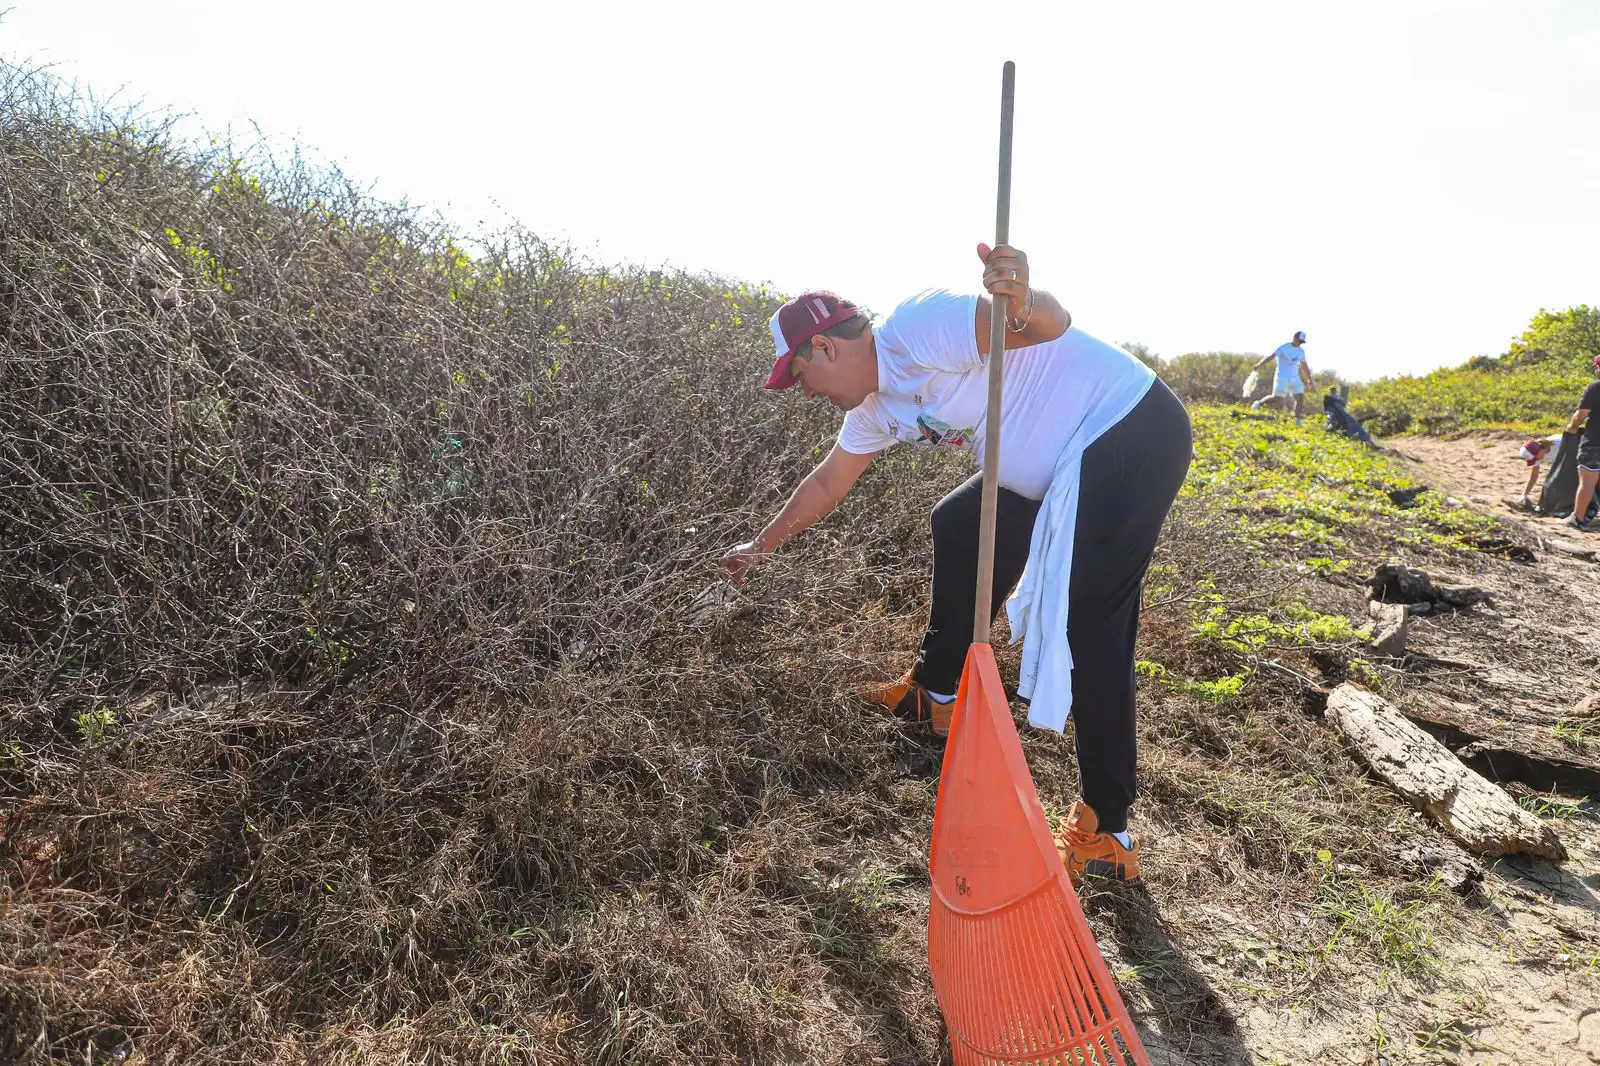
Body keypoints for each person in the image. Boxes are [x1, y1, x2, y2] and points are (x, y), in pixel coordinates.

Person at [719, 243, 1192, 884]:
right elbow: (828, 483)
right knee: (960, 521)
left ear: (825, 347)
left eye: (798, 376)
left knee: (1090, 624)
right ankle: (934, 693)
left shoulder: (920, 327)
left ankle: (1107, 829)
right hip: (1051, 468)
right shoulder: (875, 407)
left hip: (1126, 427)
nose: (803, 393)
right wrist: (761, 544)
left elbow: (1050, 324)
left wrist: (1021, 301)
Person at [1561, 357, 1600, 531]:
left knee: (1587, 481)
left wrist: (1572, 426)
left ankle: (1577, 518)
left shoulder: (1595, 387)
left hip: (1594, 441)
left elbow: (1581, 415)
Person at [1248, 331, 1312, 424]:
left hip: (1294, 378)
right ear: (1294, 338)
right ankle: (1259, 403)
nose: (1300, 343)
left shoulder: (1301, 351)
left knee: (1300, 397)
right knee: (1277, 398)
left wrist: (1309, 378)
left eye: (1302, 342)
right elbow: (1271, 356)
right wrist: (1259, 364)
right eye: (1299, 341)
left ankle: (1297, 420)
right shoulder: (1284, 347)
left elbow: (1304, 365)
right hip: (1282, 376)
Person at [1517, 435, 1562, 509]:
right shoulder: (1538, 455)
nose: (1535, 461)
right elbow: (1534, 476)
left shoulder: (1558, 444)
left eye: (1534, 458)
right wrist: (1525, 494)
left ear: (1539, 450)